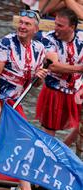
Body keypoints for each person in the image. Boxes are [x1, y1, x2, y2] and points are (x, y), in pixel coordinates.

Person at [0, 9, 52, 190]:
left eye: (27, 24)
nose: (22, 26)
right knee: (24, 144)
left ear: (35, 29)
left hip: (15, 104)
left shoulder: (39, 49)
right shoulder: (5, 44)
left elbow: (30, 85)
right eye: (21, 22)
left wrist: (38, 78)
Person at [36, 8, 83, 146]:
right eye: (55, 23)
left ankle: (65, 149)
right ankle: (48, 155)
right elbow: (53, 66)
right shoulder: (48, 38)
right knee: (48, 133)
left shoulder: (81, 37)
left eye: (60, 25)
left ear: (72, 27)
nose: (56, 28)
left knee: (80, 126)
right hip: (55, 91)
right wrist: (80, 69)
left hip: (77, 89)